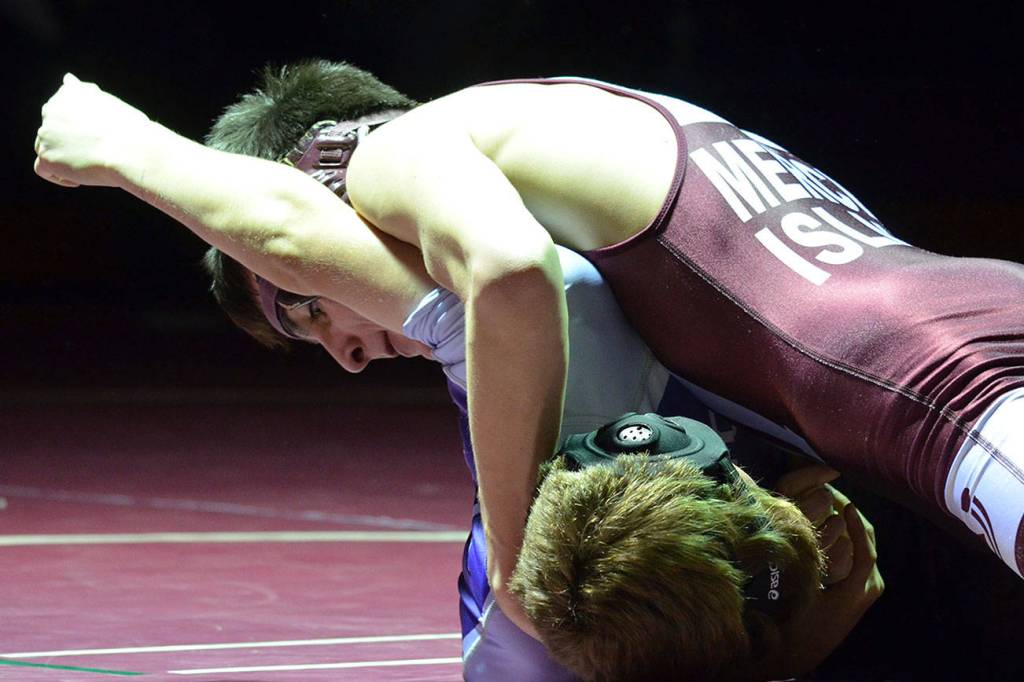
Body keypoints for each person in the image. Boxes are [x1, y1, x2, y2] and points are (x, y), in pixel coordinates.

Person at [34, 59, 1013, 652]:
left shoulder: (390, 152)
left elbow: (501, 276)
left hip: (936, 387)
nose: (340, 352)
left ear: (309, 172)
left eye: (297, 313)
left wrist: (518, 566)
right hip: (943, 343)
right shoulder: (573, 130)